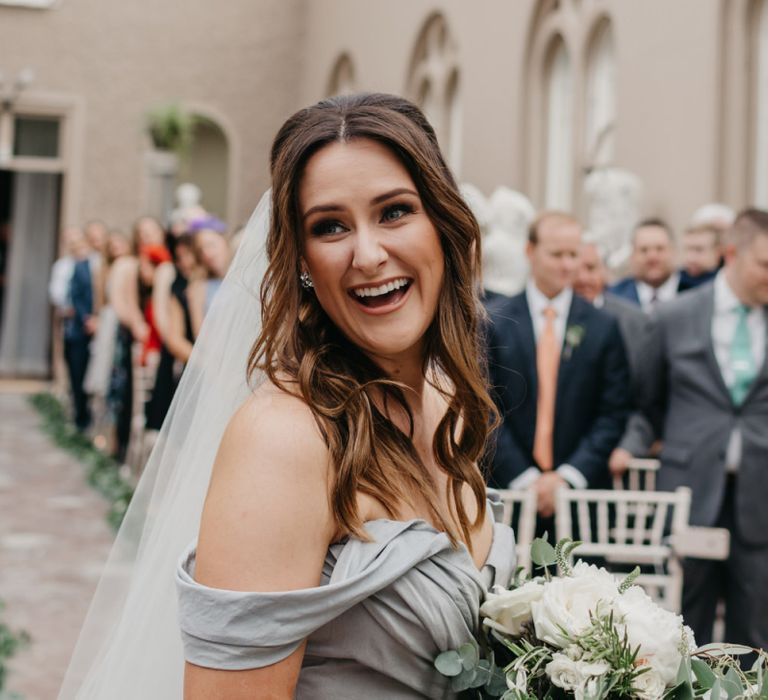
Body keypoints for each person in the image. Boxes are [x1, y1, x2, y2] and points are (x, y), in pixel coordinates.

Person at [58, 93, 515, 699]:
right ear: (302, 260)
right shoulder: (284, 439)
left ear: (443, 223)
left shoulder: (443, 400)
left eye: (395, 211)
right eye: (330, 227)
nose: (369, 254)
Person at [643, 208, 768, 651]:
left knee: (756, 637)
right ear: (730, 254)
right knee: (682, 631)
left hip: (759, 501)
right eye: (765, 264)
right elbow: (647, 400)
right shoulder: (675, 317)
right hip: (691, 490)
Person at [485, 212, 630, 520]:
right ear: (530, 252)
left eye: (573, 255)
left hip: (581, 497)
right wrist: (526, 479)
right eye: (556, 254)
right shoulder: (495, 321)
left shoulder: (603, 326)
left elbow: (613, 411)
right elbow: (483, 406)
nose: (567, 265)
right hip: (507, 491)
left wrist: (568, 477)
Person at [573, 240, 656, 476]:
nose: (583, 278)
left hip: (614, 461)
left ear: (605, 273)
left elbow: (647, 400)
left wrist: (629, 447)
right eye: (576, 269)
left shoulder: (635, 322)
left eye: (590, 268)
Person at [610, 218, 682, 313]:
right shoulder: (613, 298)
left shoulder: (696, 293)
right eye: (644, 250)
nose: (652, 257)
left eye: (659, 249)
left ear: (673, 252)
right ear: (632, 256)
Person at [678, 223, 721, 291]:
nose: (691, 258)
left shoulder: (724, 287)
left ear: (717, 253)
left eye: (699, 250)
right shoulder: (674, 283)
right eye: (688, 249)